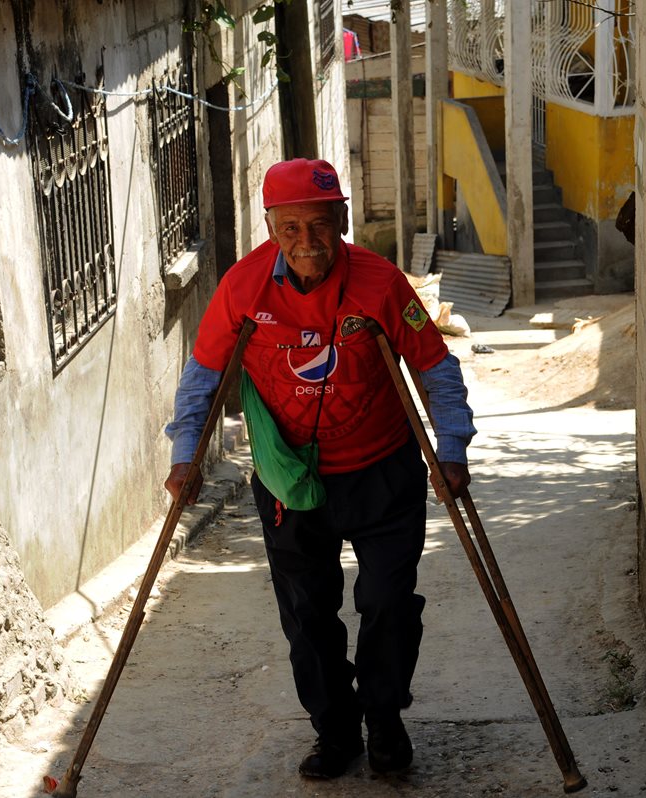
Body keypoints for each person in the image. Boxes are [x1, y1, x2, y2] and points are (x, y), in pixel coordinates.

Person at [164, 158, 476, 779]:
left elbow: (436, 370)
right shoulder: (244, 289)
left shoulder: (381, 284)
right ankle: (335, 732)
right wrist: (185, 454)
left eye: (320, 224)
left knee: (387, 599)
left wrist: (452, 449)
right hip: (290, 479)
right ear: (271, 228)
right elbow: (201, 377)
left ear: (343, 220)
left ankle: (383, 718)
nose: (306, 242)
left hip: (382, 467)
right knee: (307, 612)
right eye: (290, 228)